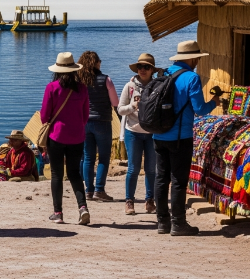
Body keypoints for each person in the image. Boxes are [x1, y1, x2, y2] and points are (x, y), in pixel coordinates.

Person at [154, 41, 217, 236]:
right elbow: (199, 109)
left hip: (158, 135)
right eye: (197, 57)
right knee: (179, 181)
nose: (198, 61)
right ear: (190, 58)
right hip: (180, 137)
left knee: (161, 179)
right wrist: (213, 102)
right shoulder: (192, 78)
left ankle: (162, 222)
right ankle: (178, 223)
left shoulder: (163, 74)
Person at [41, 52, 90, 225]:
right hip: (77, 136)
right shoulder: (82, 88)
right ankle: (83, 207)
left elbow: (44, 116)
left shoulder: (52, 87)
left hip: (57, 136)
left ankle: (58, 213)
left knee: (56, 174)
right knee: (75, 173)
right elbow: (85, 116)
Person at [118, 53, 158, 215]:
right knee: (133, 169)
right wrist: (133, 106)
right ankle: (129, 202)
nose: (143, 70)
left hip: (151, 133)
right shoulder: (130, 87)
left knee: (151, 169)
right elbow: (120, 109)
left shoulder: (157, 86)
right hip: (133, 132)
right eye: (140, 67)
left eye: (146, 67)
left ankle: (150, 201)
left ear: (152, 70)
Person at [78, 51, 119, 201]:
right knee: (103, 157)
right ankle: (99, 190)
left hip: (84, 122)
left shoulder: (79, 81)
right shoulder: (105, 80)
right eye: (99, 60)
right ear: (96, 63)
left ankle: (88, 191)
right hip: (102, 121)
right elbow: (115, 103)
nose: (100, 63)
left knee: (88, 157)